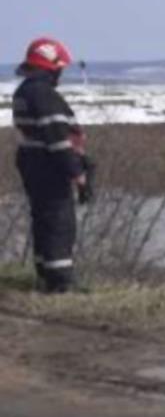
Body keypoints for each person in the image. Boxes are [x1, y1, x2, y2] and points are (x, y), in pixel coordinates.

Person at [12, 37, 90, 293]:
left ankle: (46, 276)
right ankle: (61, 284)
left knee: (43, 220)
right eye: (60, 68)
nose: (61, 74)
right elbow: (57, 138)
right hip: (49, 166)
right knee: (59, 222)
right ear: (50, 67)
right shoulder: (44, 95)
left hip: (33, 163)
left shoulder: (24, 91)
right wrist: (77, 172)